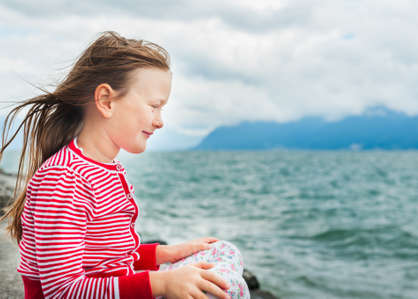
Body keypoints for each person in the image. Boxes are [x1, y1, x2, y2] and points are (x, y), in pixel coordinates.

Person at [0, 31, 250, 299]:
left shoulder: (102, 169)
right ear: (106, 102)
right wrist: (162, 283)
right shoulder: (65, 178)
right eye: (154, 106)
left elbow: (109, 258)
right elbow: (61, 290)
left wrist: (166, 253)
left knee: (222, 251)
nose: (160, 121)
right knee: (225, 287)